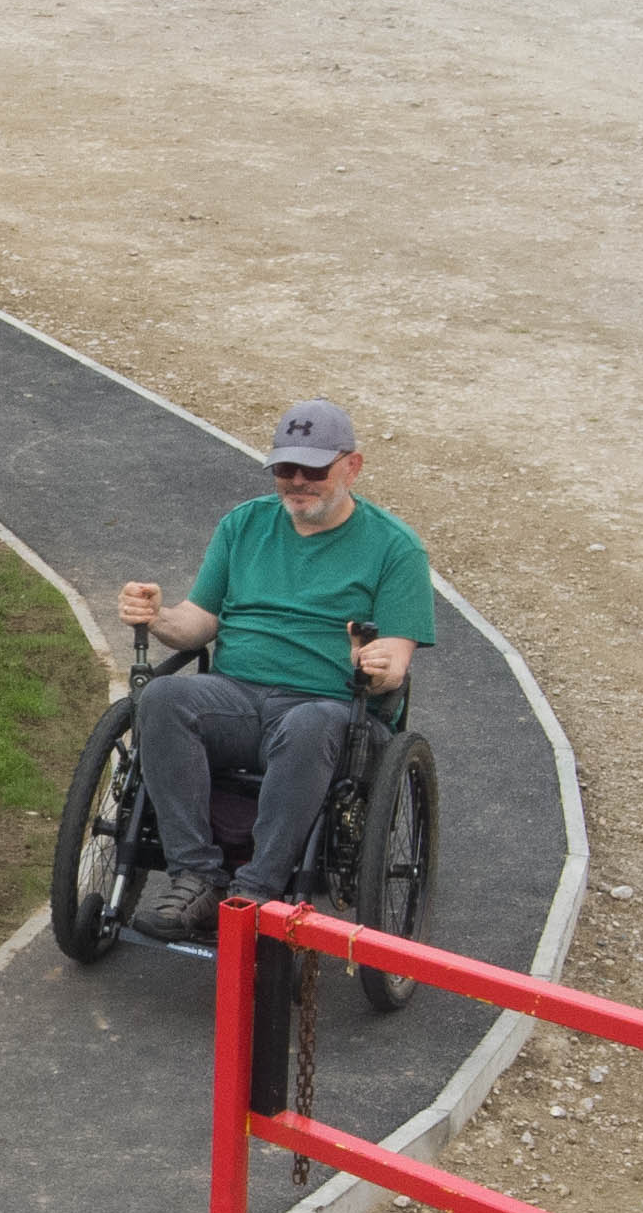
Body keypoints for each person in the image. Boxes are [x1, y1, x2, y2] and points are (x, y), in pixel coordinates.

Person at [112, 399, 437, 938]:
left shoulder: (396, 548)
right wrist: (157, 616)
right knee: (164, 697)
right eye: (286, 469)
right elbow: (198, 622)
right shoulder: (244, 525)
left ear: (351, 466)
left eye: (314, 470)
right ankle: (195, 877)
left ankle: (257, 892)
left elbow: (395, 664)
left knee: (311, 724)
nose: (297, 482)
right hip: (235, 697)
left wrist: (374, 663)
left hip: (329, 708)